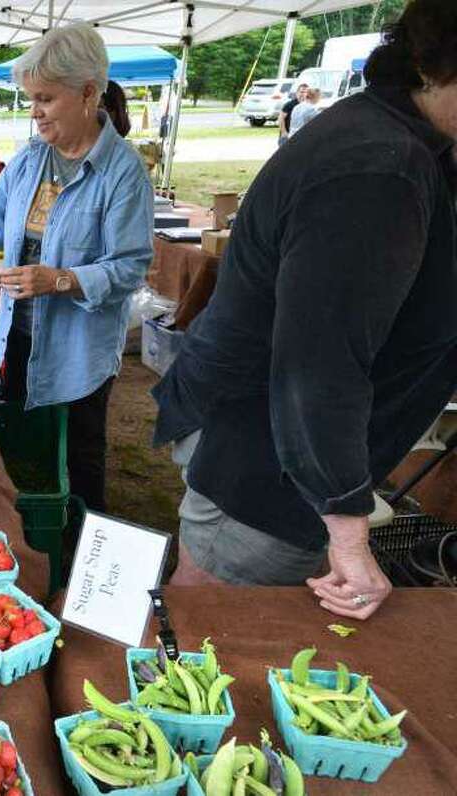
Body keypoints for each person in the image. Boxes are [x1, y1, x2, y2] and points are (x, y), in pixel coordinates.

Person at [152, 0, 457, 620]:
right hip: (265, 468)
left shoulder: (408, 144)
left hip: (289, 462)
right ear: (432, 64)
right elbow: (319, 366)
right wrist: (349, 531)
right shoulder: (377, 169)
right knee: (210, 623)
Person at [0, 23, 154, 515]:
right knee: (23, 451)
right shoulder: (30, 162)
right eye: (30, 100)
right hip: (17, 337)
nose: (35, 112)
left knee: (81, 459)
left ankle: (79, 556)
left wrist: (60, 279)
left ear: (88, 92)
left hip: (78, 352)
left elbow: (129, 267)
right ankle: (35, 545)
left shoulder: (122, 173)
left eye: (45, 99)